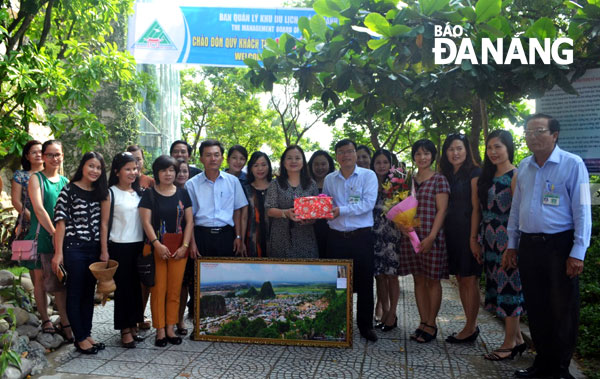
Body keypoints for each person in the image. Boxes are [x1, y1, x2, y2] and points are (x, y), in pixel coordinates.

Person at [506, 114, 591, 379]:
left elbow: (583, 211)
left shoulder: (573, 164)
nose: (532, 137)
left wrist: (578, 251)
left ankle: (560, 369)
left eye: (539, 131)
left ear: (555, 134)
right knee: (537, 306)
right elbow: (516, 209)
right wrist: (512, 244)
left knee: (562, 309)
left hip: (559, 245)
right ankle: (541, 364)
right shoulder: (524, 166)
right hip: (530, 247)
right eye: (528, 132)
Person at [475, 130, 526, 361]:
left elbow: (518, 214)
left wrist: (512, 246)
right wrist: (477, 240)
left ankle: (508, 344)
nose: (493, 152)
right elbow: (481, 211)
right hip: (489, 241)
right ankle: (518, 340)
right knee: (498, 288)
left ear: (508, 148)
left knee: (510, 290)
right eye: (490, 148)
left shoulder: (516, 175)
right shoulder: (486, 176)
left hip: (508, 241)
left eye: (498, 147)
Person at [323, 139, 378, 342]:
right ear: (336, 156)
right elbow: (326, 203)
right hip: (336, 239)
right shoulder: (330, 179)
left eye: (349, 151)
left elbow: (368, 204)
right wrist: (323, 211)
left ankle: (365, 326)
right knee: (339, 282)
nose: (345, 155)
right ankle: (339, 323)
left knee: (365, 282)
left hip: (361, 237)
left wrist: (341, 210)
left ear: (356, 154)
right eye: (341, 152)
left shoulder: (368, 175)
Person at [53, 152, 108, 354]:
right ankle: (80, 338)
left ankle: (87, 333)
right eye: (91, 166)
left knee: (88, 293)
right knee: (75, 293)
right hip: (74, 247)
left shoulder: (101, 192)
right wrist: (58, 254)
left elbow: (103, 224)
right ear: (83, 167)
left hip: (94, 248)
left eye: (99, 168)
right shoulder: (68, 190)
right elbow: (60, 223)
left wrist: (104, 251)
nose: (95, 170)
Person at [397, 139, 449, 344]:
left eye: (426, 153)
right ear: (414, 157)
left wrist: (432, 237)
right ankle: (422, 321)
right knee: (418, 279)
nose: (422, 157)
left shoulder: (439, 179)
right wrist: (401, 224)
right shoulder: (408, 180)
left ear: (433, 156)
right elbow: (399, 205)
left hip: (431, 236)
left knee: (432, 280)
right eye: (418, 154)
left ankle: (432, 324)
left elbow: (442, 210)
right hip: (411, 237)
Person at [139, 155, 194, 347]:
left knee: (174, 291)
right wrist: (157, 244)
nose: (168, 174)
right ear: (157, 173)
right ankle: (160, 330)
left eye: (172, 170)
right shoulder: (149, 194)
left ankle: (171, 328)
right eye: (164, 170)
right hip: (156, 248)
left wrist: (184, 246)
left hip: (179, 248)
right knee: (158, 290)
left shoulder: (182, 193)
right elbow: (145, 222)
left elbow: (189, 222)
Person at [26, 140, 73, 342]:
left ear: (63, 156)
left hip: (60, 238)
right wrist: (54, 232)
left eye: (58, 155)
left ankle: (65, 322)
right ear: (43, 157)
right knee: (39, 281)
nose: (55, 158)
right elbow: (38, 208)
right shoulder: (36, 179)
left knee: (60, 281)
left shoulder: (65, 181)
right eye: (50, 155)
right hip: (41, 236)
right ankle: (45, 319)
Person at [439, 133, 483, 343]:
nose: (455, 153)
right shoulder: (445, 174)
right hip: (450, 233)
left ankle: (470, 326)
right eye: (450, 149)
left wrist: (473, 238)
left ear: (467, 150)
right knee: (460, 278)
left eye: (459, 148)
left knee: (469, 279)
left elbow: (476, 208)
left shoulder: (474, 172)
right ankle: (469, 324)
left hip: (468, 231)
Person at [100, 152, 145, 348]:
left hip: (139, 246)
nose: (132, 172)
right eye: (128, 169)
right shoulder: (110, 193)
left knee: (136, 289)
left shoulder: (139, 193)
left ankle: (134, 325)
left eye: (135, 168)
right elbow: (103, 224)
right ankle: (124, 330)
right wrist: (104, 251)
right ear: (117, 171)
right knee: (123, 290)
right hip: (119, 246)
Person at [185, 139, 248, 260]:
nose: (213, 159)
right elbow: (190, 218)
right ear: (201, 159)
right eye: (208, 155)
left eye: (216, 155)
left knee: (226, 275)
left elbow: (237, 211)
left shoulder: (233, 181)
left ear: (222, 158)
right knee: (201, 276)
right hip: (201, 236)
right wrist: (192, 243)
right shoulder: (191, 184)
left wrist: (239, 237)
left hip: (227, 236)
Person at [11, 141, 45, 325]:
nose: (38, 155)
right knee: (34, 264)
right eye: (34, 152)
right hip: (28, 223)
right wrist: (34, 217)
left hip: (49, 224)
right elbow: (16, 201)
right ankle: (42, 308)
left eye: (41, 151)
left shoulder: (50, 174)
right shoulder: (21, 175)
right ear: (27, 156)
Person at [265, 145, 319, 258]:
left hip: (305, 237)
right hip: (281, 237)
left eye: (297, 158)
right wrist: (285, 213)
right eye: (289, 158)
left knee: (305, 272)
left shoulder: (311, 184)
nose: (293, 161)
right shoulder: (276, 183)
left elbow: (316, 212)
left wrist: (309, 221)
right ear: (284, 162)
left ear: (303, 162)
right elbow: (269, 209)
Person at [371, 149, 401, 332]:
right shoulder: (368, 182)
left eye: (385, 162)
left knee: (391, 275)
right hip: (373, 236)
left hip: (391, 236)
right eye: (378, 162)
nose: (381, 166)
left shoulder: (398, 185)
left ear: (391, 165)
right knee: (379, 276)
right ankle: (385, 310)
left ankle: (393, 313)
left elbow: (405, 207)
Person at [126, 145, 153, 331]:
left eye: (139, 159)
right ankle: (128, 320)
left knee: (144, 278)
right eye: (132, 159)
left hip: (146, 237)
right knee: (129, 279)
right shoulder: (121, 182)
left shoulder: (149, 182)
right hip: (126, 237)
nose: (136, 163)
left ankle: (140, 315)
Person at [175, 159, 192, 335]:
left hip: (185, 243)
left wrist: (187, 243)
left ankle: (179, 319)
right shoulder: (159, 191)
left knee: (183, 285)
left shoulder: (188, 192)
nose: (181, 174)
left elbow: (191, 221)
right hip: (165, 244)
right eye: (177, 171)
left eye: (184, 171)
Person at [244, 151, 272, 257]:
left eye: (264, 165)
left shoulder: (276, 187)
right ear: (250, 168)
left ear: (269, 166)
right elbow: (242, 217)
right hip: (252, 239)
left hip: (275, 239)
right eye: (256, 165)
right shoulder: (245, 189)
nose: (260, 169)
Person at [308, 150, 335, 258]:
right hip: (310, 229)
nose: (320, 167)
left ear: (329, 164)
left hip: (332, 229)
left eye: (323, 164)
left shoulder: (335, 182)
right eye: (316, 164)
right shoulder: (306, 183)